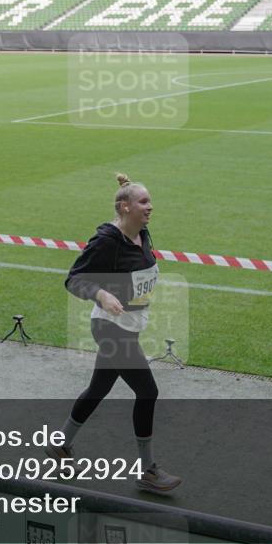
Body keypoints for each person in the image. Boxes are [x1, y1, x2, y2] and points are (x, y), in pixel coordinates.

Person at [46, 173, 181, 494]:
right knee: (147, 392)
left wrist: (129, 187)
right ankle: (147, 470)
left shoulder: (141, 233)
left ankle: (60, 444)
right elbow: (74, 279)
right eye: (143, 202)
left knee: (98, 387)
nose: (150, 207)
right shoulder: (107, 241)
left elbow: (137, 267)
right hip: (110, 328)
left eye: (149, 201)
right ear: (124, 208)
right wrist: (102, 294)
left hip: (128, 327)